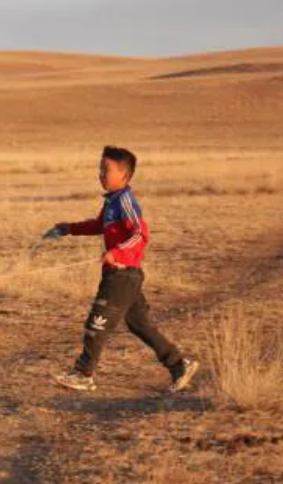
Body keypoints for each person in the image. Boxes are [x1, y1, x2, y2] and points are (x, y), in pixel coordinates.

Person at [47, 146, 197, 393]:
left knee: (98, 321)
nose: (100, 174)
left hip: (123, 274)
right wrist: (69, 228)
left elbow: (140, 233)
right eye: (100, 169)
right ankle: (179, 364)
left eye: (106, 170)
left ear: (124, 177)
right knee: (140, 324)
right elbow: (99, 225)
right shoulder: (112, 202)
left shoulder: (125, 201)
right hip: (122, 275)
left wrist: (116, 252)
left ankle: (84, 373)